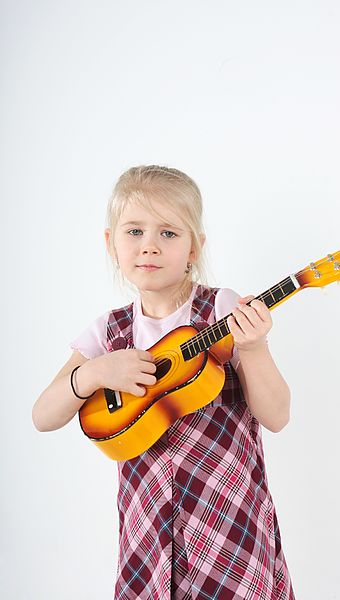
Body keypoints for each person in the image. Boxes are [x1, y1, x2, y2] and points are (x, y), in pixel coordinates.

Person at [32, 165, 296, 600]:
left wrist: (253, 349)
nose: (149, 246)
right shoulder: (108, 332)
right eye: (134, 231)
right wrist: (95, 372)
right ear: (110, 242)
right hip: (148, 531)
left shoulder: (222, 310)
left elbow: (278, 415)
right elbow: (43, 416)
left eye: (169, 234)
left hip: (227, 523)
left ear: (195, 247)